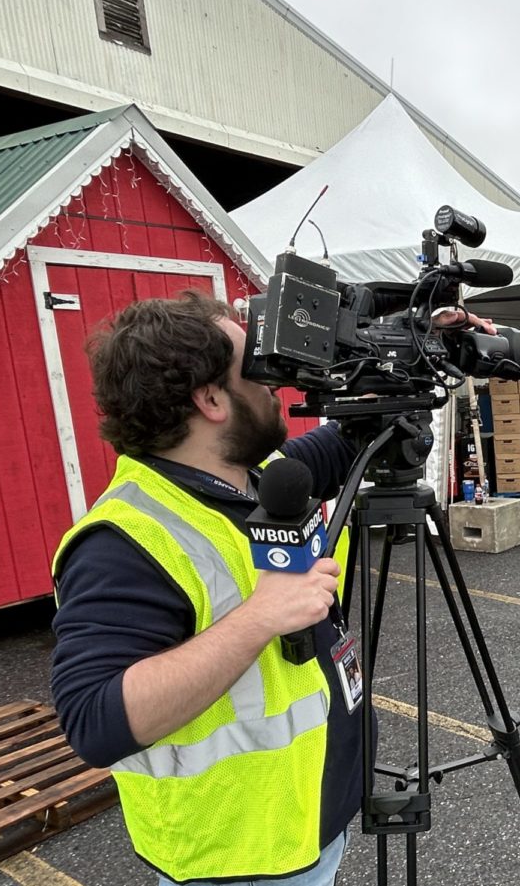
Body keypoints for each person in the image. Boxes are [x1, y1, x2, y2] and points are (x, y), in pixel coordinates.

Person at [51, 292, 495, 885]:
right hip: (238, 862)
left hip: (304, 824)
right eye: (256, 368)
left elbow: (347, 442)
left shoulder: (251, 479)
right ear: (210, 400)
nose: (276, 383)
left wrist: (416, 344)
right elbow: (94, 721)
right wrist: (260, 616)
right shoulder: (123, 541)